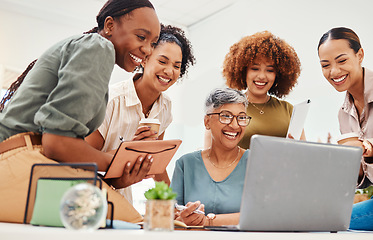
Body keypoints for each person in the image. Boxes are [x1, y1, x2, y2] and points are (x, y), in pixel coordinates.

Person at [0, 0, 160, 224]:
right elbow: (57, 143)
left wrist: (117, 176)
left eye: (153, 43)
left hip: (23, 159)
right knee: (134, 221)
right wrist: (114, 161)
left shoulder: (88, 47)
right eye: (141, 37)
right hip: (17, 161)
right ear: (110, 25)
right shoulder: (98, 47)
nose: (147, 50)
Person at [86, 23, 195, 203]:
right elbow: (84, 161)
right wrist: (130, 151)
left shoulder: (165, 107)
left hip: (121, 200)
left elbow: (157, 164)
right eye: (162, 61)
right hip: (89, 195)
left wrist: (174, 205)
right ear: (144, 59)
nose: (169, 71)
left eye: (177, 65)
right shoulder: (110, 101)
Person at [318, 27, 373, 231]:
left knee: (331, 223)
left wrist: (368, 147)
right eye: (325, 65)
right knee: (320, 215)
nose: (334, 72)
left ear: (359, 55)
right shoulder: (344, 113)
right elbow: (364, 175)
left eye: (342, 60)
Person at [171, 88, 251, 226]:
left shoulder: (255, 162)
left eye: (241, 117)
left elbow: (260, 217)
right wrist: (183, 218)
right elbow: (172, 217)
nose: (234, 125)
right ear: (207, 122)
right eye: (226, 116)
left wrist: (207, 221)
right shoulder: (185, 164)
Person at [219, 30, 304, 149]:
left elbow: (303, 152)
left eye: (269, 70)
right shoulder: (228, 108)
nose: (262, 76)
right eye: (255, 68)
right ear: (243, 71)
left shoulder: (288, 110)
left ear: (278, 74)